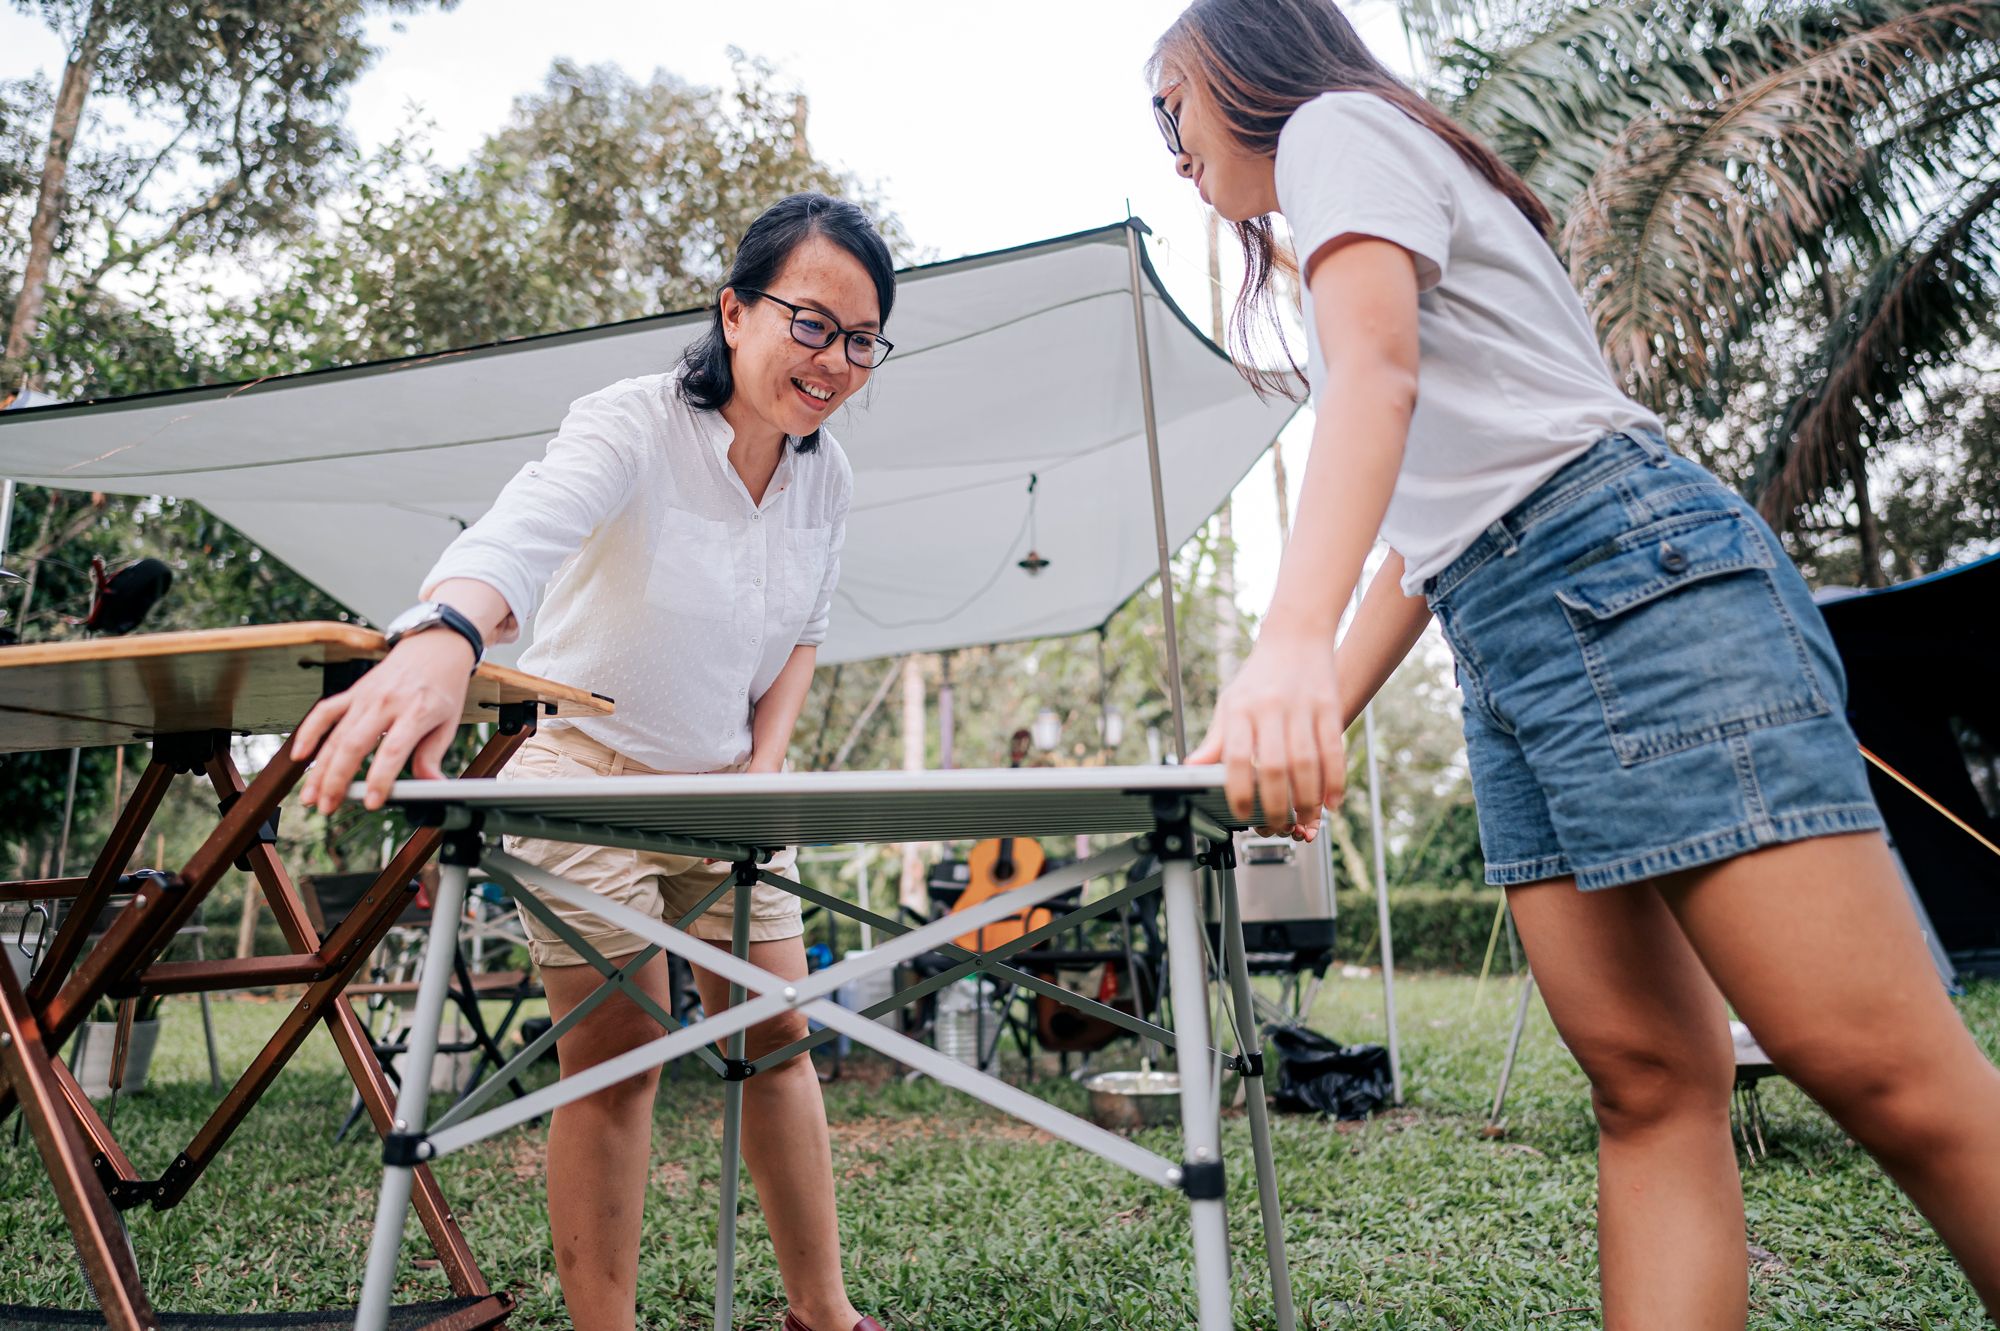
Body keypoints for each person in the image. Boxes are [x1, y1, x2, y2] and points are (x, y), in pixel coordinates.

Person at [1148, 3, 2000, 1326]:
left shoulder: (1333, 128)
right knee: (1648, 1084)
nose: (1173, 146)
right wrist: (1307, 713)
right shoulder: (1356, 183)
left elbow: (1378, 375)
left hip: (1627, 576)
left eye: (1171, 106)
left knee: (1888, 1071)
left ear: (1248, 60)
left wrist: (1286, 644)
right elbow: (1423, 548)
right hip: (1512, 629)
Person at [295, 191, 895, 1331]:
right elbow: (523, 527)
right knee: (619, 1053)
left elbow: (802, 637)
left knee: (776, 1036)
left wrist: (762, 769)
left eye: (861, 340)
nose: (834, 360)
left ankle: (822, 1312)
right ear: (734, 311)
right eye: (810, 323)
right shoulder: (630, 421)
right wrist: (443, 632)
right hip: (582, 776)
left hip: (722, 794)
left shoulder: (828, 476)